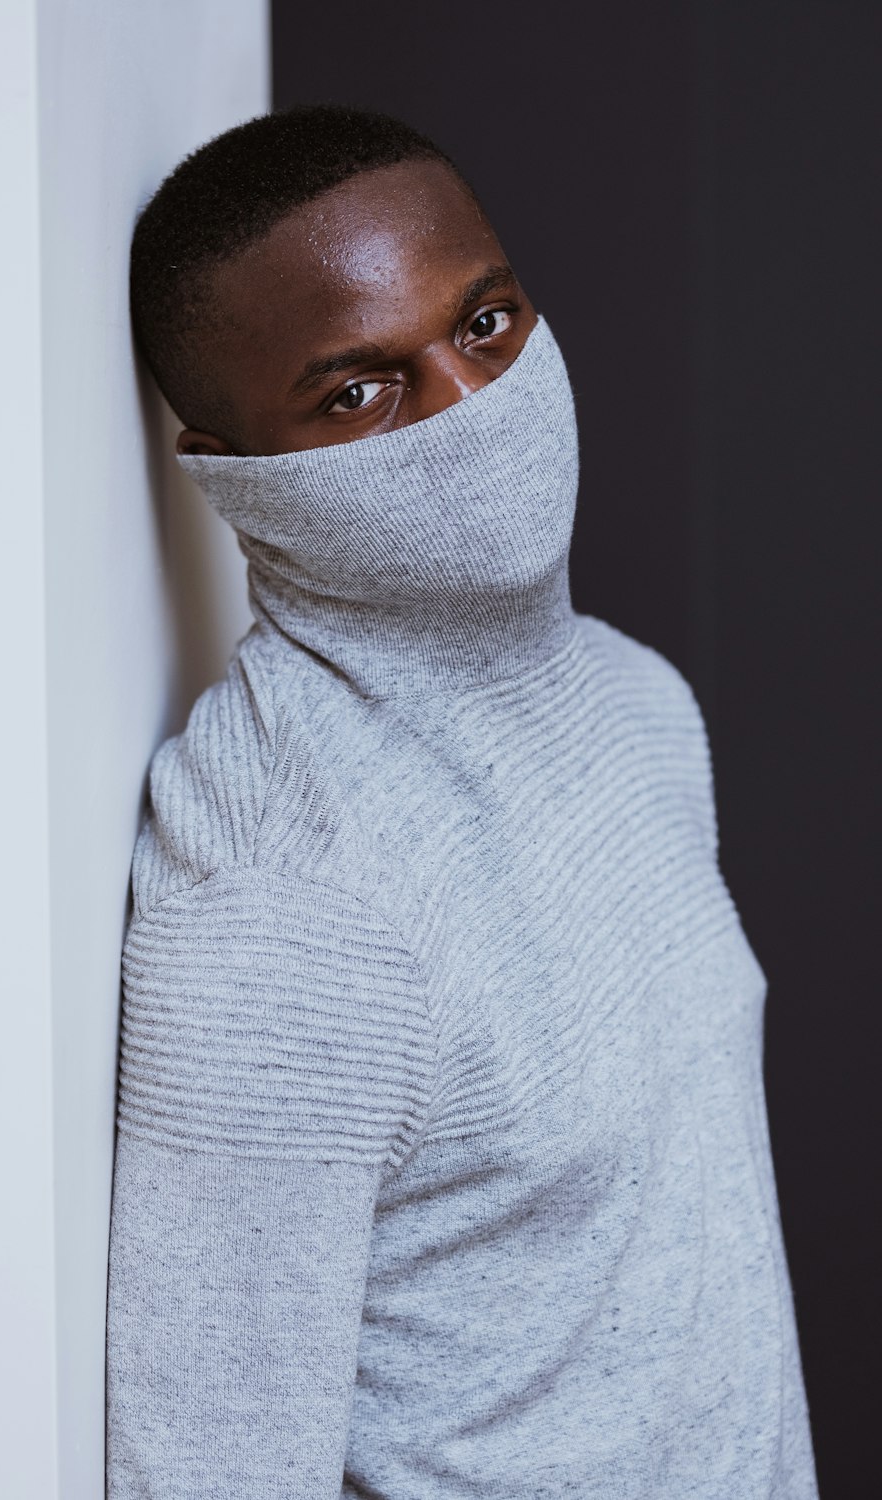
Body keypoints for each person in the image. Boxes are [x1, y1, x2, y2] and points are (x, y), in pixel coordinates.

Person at [105, 103, 818, 1499]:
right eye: (358, 394)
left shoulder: (636, 703)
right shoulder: (284, 909)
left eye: (485, 327)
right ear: (228, 468)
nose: (468, 412)